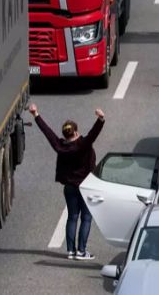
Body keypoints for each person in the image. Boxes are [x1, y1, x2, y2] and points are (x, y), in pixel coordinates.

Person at [29, 103, 105, 260]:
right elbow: (94, 133)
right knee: (86, 218)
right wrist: (101, 119)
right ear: (76, 132)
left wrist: (36, 115)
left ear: (65, 135)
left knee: (72, 217)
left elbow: (48, 133)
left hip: (69, 187)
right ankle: (82, 251)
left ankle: (71, 251)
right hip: (85, 186)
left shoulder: (60, 146)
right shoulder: (83, 144)